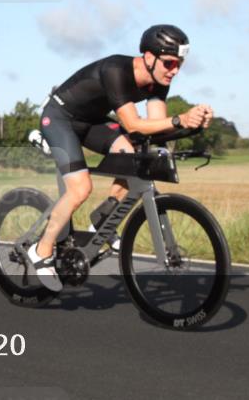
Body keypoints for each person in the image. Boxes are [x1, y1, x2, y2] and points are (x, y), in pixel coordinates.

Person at [28, 24, 214, 290]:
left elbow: (158, 128)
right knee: (80, 188)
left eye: (179, 65)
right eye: (169, 62)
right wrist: (181, 118)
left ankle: (102, 219)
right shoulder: (116, 70)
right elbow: (134, 124)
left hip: (92, 122)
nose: (174, 70)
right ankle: (42, 250)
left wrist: (191, 126)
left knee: (134, 158)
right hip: (60, 118)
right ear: (149, 57)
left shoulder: (159, 82)